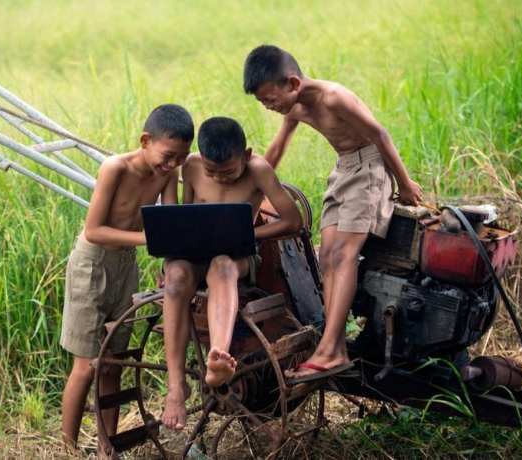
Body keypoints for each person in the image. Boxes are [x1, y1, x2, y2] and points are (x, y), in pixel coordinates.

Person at [242, 45, 423, 382]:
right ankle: (334, 343)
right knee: (326, 256)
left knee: (344, 255)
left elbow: (379, 134)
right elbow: (277, 149)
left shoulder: (334, 98)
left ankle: (330, 350)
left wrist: (404, 182)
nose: (269, 106)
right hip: (343, 170)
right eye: (263, 102)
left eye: (270, 99)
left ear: (293, 83)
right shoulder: (295, 108)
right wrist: (256, 195)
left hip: (369, 168)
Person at [59, 104, 193, 454]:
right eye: (168, 156)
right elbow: (94, 230)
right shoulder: (115, 168)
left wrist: (170, 262)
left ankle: (107, 447)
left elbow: (170, 223)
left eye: (180, 158)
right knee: (86, 366)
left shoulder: (168, 173)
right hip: (93, 264)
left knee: (113, 363)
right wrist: (148, 239)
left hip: (126, 266)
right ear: (145, 140)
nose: (173, 165)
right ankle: (67, 448)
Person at [161, 116, 302, 430]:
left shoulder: (259, 170)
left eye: (227, 172)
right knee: (177, 276)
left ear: (246, 155)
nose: (218, 178)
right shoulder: (191, 166)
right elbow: (186, 217)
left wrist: (248, 235)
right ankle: (176, 387)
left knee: (222, 265)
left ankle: (218, 358)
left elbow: (293, 221)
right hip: (197, 253)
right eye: (212, 171)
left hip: (238, 257)